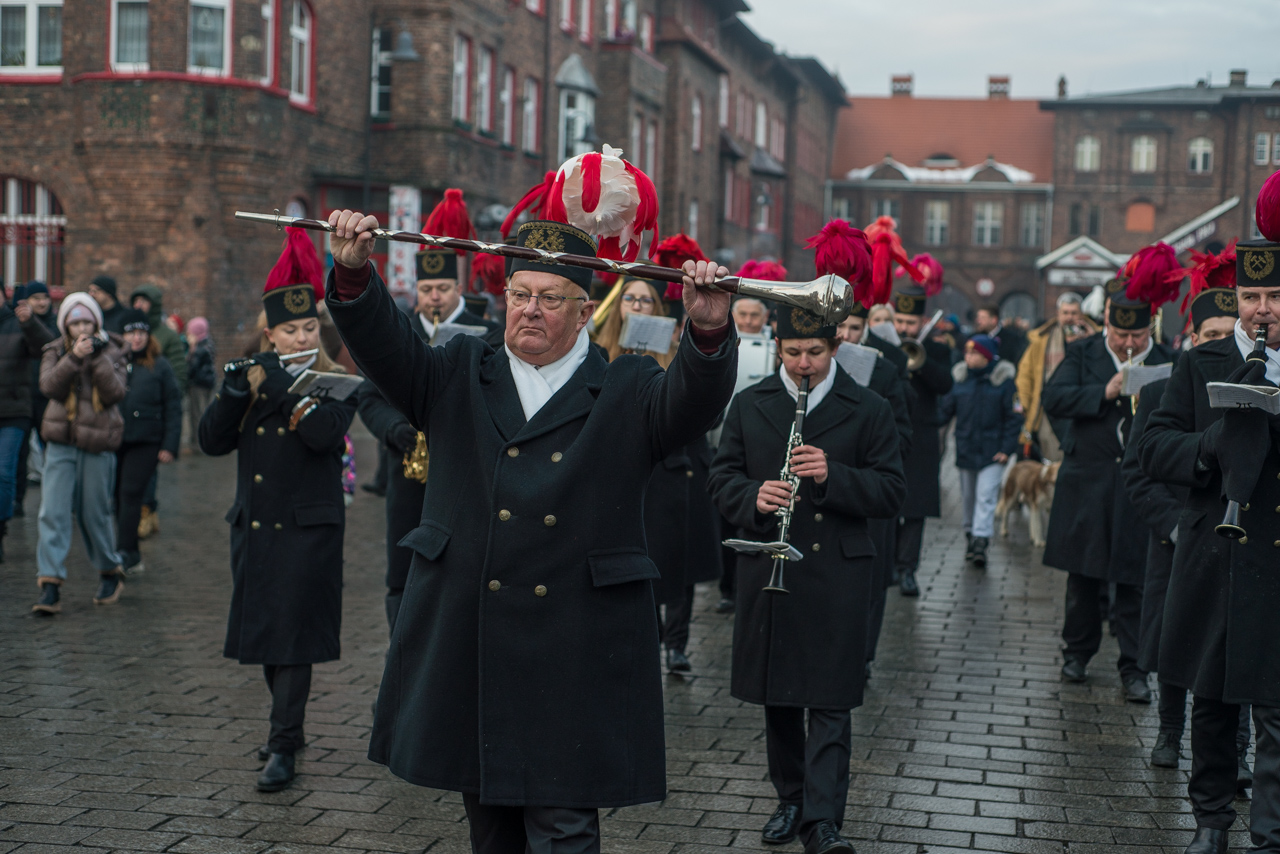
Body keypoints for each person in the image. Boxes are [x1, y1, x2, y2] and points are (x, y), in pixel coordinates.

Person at [325, 204, 737, 853]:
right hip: (475, 638)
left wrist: (708, 335)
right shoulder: (456, 370)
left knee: (564, 825)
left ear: (584, 311)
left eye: (550, 298)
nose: (531, 310)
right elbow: (385, 347)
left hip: (576, 646)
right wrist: (353, 276)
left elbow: (692, 403)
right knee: (491, 825)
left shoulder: (627, 387)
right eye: (520, 295)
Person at [709, 305, 905, 854]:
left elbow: (892, 491)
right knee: (779, 695)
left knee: (830, 699)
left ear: (835, 347)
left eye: (814, 353)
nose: (803, 364)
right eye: (792, 352)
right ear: (777, 346)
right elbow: (721, 478)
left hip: (838, 574)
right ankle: (790, 797)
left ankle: (822, 818)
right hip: (773, 565)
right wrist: (753, 496)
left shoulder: (869, 408)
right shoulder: (750, 405)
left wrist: (833, 476)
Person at [1137, 203, 1280, 854]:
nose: (1262, 309)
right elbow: (1153, 447)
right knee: (1215, 698)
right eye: (1252, 295)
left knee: (1275, 707)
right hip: (1216, 553)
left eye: (1275, 296)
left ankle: (1270, 830)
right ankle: (1212, 821)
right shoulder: (1201, 363)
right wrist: (1209, 445)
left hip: (1275, 560)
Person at [198, 228, 357, 793]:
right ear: (270, 332)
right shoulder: (251, 377)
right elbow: (211, 443)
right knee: (269, 637)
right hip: (256, 527)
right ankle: (286, 727)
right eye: (289, 330)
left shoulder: (337, 382)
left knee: (294, 642)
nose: (300, 337)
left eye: (309, 328)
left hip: (308, 531)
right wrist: (234, 394)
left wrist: (287, 387)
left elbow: (324, 436)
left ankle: (284, 743)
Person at [1122, 275, 1249, 774]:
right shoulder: (1162, 390)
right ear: (1193, 339)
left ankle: (1236, 750)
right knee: (1177, 637)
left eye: (1227, 331)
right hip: (1177, 535)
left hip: (1235, 537)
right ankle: (1170, 730)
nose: (1219, 341)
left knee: (1233, 642)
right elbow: (1138, 471)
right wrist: (1173, 524)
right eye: (1210, 334)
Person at [357, 227, 496, 635]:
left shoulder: (486, 331)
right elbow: (369, 397)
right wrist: (395, 429)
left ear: (457, 288)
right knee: (401, 570)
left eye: (442, 288)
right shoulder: (398, 331)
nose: (434, 296)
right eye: (426, 288)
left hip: (463, 472)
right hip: (407, 473)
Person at [1042, 280, 1174, 701]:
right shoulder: (1084, 353)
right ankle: (1076, 653)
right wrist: (1104, 390)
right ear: (1108, 329)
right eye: (1121, 337)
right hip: (1089, 479)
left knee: (1136, 577)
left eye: (1137, 337)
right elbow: (1054, 398)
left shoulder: (1167, 361)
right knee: (1084, 572)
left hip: (1139, 483)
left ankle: (1135, 668)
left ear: (1149, 332)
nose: (1129, 343)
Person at [32, 293, 129, 614]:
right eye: (75, 322)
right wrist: (73, 358)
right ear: (66, 326)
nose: (82, 328)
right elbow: (48, 387)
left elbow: (116, 393)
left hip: (98, 442)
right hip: (61, 439)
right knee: (53, 511)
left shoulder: (115, 351)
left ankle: (108, 570)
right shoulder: (55, 350)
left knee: (94, 513)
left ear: (96, 322)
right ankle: (49, 583)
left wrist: (97, 358)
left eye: (87, 321)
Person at [892, 284, 954, 596]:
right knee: (887, 501)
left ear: (922, 322)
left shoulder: (938, 348)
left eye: (910, 323)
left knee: (915, 507)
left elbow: (945, 384)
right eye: (900, 322)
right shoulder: (883, 345)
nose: (904, 328)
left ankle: (907, 569)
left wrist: (921, 360)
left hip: (921, 435)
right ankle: (888, 562)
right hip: (888, 433)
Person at [938, 335, 1020, 567]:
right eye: (967, 352)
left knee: (986, 496)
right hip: (966, 448)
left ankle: (980, 542)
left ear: (986, 357)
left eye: (974, 353)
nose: (968, 357)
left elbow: (1014, 417)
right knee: (968, 498)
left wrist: (1007, 448)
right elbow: (945, 410)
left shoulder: (1004, 382)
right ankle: (969, 534)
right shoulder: (960, 380)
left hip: (993, 452)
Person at [114, 309, 182, 574]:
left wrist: (169, 445)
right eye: (131, 332)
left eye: (141, 333)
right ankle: (130, 550)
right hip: (116, 439)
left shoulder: (160, 365)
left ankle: (123, 551)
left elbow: (173, 406)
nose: (137, 338)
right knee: (115, 496)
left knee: (131, 492)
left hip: (147, 440)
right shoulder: (114, 361)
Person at [0, 282, 58, 558]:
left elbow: (47, 346)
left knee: (5, 469)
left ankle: (2, 525)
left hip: (16, 408)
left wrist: (30, 323)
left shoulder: (19, 323)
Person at [1016, 292, 1099, 462]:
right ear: (1058, 314)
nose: (1069, 317)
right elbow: (1025, 374)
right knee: (1051, 460)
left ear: (1081, 314)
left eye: (1073, 313)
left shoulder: (1095, 337)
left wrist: (1091, 341)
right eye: (1065, 313)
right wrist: (1024, 403)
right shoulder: (1042, 339)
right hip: (1048, 408)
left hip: (1083, 406)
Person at [185, 317, 216, 448]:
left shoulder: (199, 347)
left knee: (197, 414)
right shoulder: (209, 343)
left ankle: (198, 443)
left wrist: (192, 348)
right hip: (208, 382)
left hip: (198, 384)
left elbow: (192, 366)